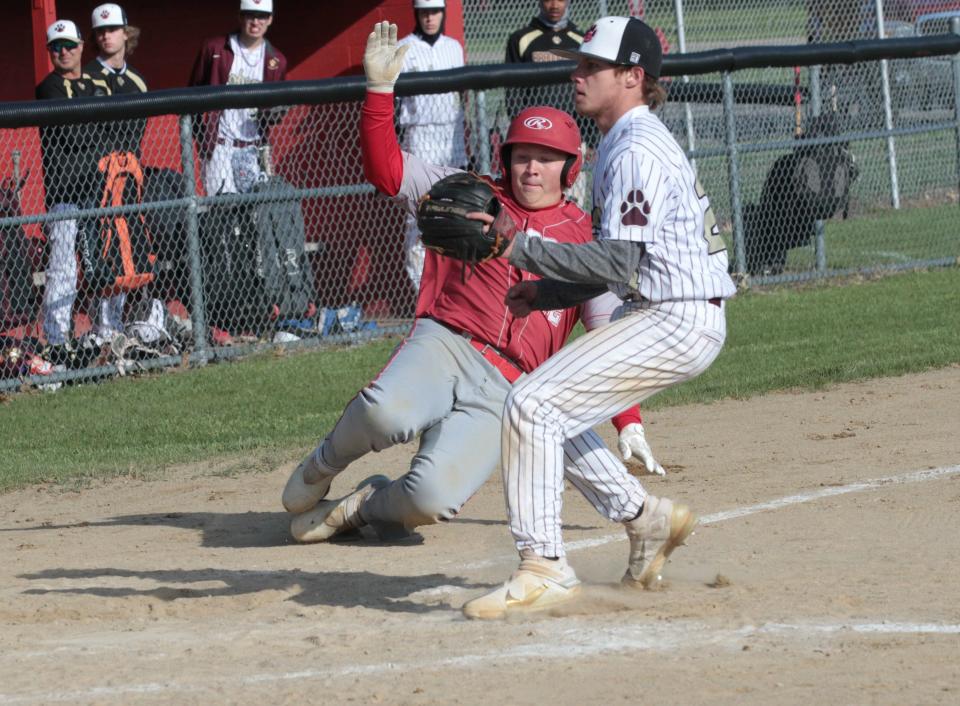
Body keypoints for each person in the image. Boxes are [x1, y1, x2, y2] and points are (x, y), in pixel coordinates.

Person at [279, 21, 662, 546]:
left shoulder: (585, 240)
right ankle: (322, 465)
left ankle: (364, 506)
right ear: (505, 157)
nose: (532, 168)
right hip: (448, 343)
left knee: (429, 500)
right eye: (523, 154)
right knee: (385, 412)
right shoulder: (469, 192)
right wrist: (378, 91)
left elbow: (605, 338)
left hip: (508, 386)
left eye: (547, 158)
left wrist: (629, 422)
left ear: (571, 169)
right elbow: (387, 170)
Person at [461, 16, 737, 619]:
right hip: (669, 310)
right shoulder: (623, 140)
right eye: (580, 63)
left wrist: (520, 247)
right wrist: (549, 294)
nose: (576, 73)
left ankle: (544, 567)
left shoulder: (636, 147)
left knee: (531, 405)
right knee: (548, 411)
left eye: (593, 67)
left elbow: (617, 258)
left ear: (633, 77)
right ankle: (648, 521)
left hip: (676, 316)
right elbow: (620, 264)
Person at [36, 19, 113, 364]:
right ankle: (56, 340)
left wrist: (97, 130)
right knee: (64, 267)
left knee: (106, 261)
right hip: (65, 193)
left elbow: (114, 130)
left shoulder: (99, 82)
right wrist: (98, 130)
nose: (64, 52)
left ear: (82, 46)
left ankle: (108, 333)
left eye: (69, 45)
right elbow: (74, 136)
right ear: (50, 52)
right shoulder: (48, 88)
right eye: (56, 47)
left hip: (99, 191)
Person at [396, 0, 467, 292]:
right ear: (416, 13)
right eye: (424, 12)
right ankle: (422, 292)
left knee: (456, 214)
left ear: (443, 13)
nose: (429, 18)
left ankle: (452, 290)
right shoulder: (405, 47)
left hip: (452, 138)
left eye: (435, 12)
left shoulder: (454, 47)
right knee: (421, 217)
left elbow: (462, 99)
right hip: (418, 136)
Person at [189, 0, 287, 197]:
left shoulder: (276, 60)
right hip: (220, 145)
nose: (255, 21)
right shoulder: (215, 49)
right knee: (222, 210)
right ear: (240, 17)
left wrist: (276, 113)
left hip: (254, 146)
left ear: (270, 20)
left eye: (262, 16)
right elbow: (192, 93)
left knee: (255, 211)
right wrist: (202, 136)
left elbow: (275, 109)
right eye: (250, 15)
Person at [84, 3, 148, 156]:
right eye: (100, 31)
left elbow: (138, 131)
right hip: (96, 168)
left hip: (131, 163)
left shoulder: (138, 80)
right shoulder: (86, 76)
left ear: (126, 33)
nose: (106, 36)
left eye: (112, 29)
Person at [504, 0, 584, 116]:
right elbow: (512, 89)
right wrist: (519, 119)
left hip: (576, 121)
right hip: (538, 121)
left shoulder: (581, 39)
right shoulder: (520, 39)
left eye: (560, 0)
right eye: (548, 0)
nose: (554, 6)